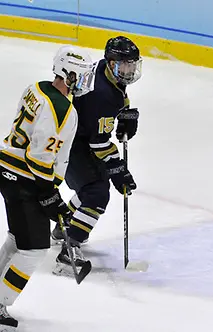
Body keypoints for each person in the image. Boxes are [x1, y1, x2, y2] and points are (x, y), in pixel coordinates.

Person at [0, 45, 94, 329]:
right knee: (34, 249)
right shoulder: (62, 108)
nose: (86, 82)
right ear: (69, 74)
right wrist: (49, 195)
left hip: (9, 169)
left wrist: (50, 192)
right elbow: (39, 156)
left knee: (19, 239)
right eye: (82, 75)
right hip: (24, 178)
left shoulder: (38, 88)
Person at [51, 36, 142, 276]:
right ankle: (68, 250)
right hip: (72, 144)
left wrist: (124, 113)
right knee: (97, 193)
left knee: (94, 187)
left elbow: (115, 100)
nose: (129, 71)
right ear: (111, 63)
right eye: (124, 66)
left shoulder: (103, 70)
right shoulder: (101, 94)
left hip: (75, 136)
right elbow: (99, 143)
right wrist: (118, 170)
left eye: (132, 65)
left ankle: (64, 227)